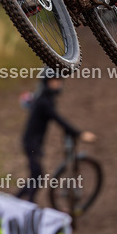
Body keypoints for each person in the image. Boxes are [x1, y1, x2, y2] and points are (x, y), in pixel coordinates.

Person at [17, 68, 95, 203]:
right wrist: (79, 133)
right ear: (46, 82)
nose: (57, 84)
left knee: (36, 176)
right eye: (54, 81)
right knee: (37, 176)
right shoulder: (44, 102)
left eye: (59, 81)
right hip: (32, 143)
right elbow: (58, 119)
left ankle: (18, 201)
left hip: (34, 142)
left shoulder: (46, 98)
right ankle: (26, 204)